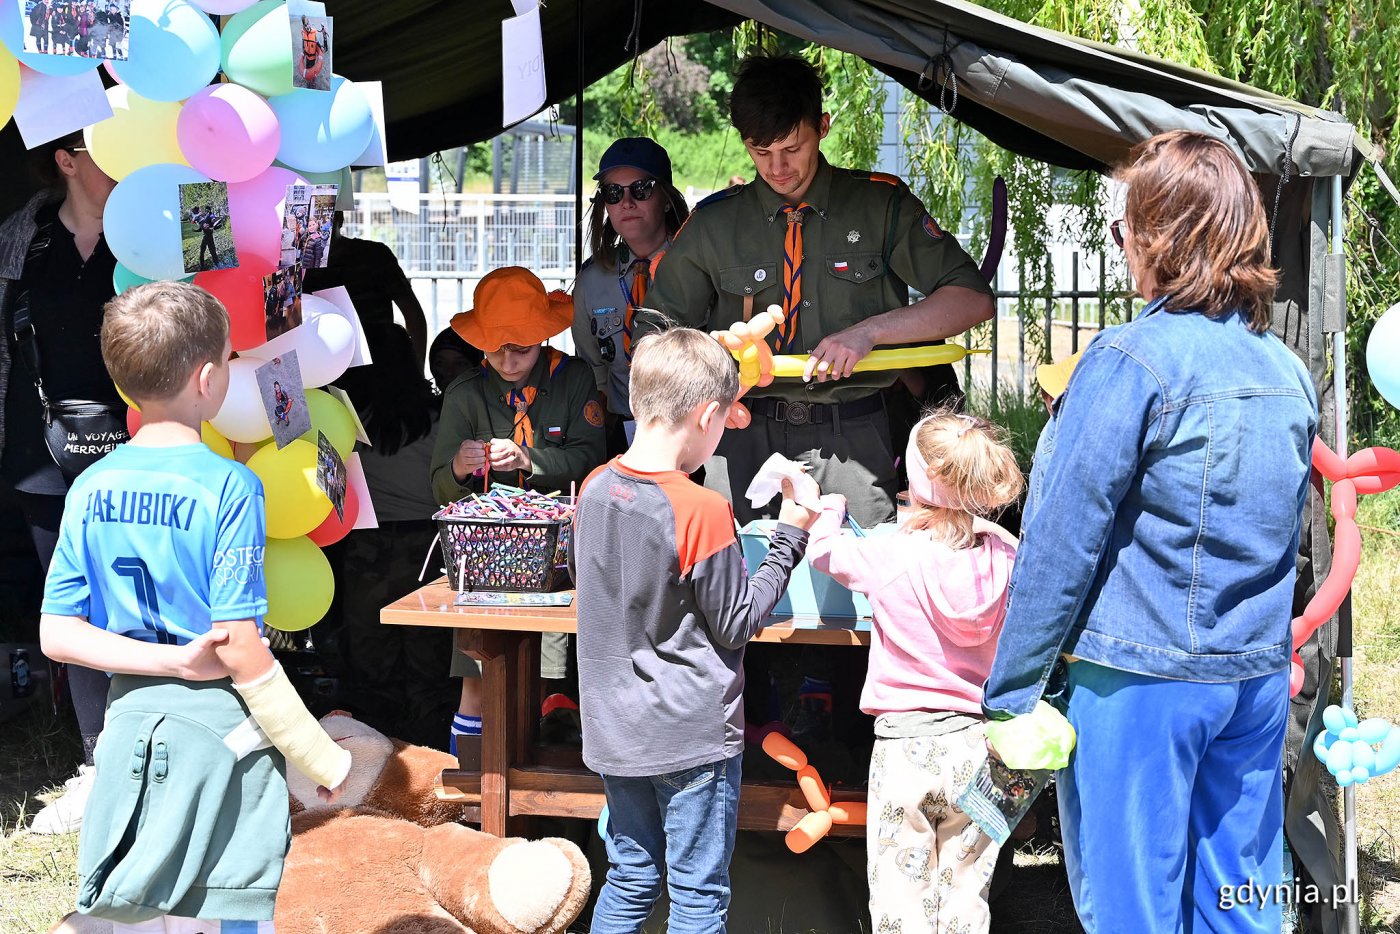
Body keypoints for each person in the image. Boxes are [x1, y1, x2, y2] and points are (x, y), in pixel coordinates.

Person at [981, 130, 1318, 933]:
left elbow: (1060, 540)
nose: (1122, 245)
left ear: (1158, 235)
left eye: (1123, 227)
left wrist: (1011, 695)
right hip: (1253, 680)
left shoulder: (1130, 360)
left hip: (1142, 680)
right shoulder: (1288, 370)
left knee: (1133, 908)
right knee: (1242, 903)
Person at [39, 280, 349, 930]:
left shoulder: (90, 485)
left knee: (143, 909)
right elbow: (238, 643)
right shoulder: (230, 485)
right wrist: (318, 757)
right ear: (209, 378)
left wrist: (168, 661)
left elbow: (57, 634)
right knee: (232, 908)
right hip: (222, 741)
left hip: (128, 731)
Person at [645, 54, 995, 528]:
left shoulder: (880, 204)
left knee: (859, 590)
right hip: (743, 434)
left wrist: (870, 332)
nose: (777, 167)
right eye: (759, 151)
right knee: (737, 581)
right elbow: (653, 340)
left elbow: (972, 299)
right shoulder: (713, 224)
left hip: (853, 436)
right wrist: (709, 378)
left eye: (791, 147)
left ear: (823, 126)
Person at [570, 327, 818, 933]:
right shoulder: (701, 508)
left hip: (614, 729)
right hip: (689, 734)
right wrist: (791, 532)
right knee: (697, 894)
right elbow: (738, 623)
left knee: (629, 876)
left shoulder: (594, 488)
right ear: (709, 414)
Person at [806, 410, 1023, 934]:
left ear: (913, 482)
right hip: (983, 745)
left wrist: (829, 508)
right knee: (966, 886)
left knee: (901, 895)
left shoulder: (890, 552)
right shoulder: (1006, 553)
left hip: (906, 748)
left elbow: (824, 553)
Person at [429, 266, 606, 762]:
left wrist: (532, 459)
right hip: (484, 559)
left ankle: (552, 788)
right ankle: (469, 788)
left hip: (560, 561)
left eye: (522, 348)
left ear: (544, 339)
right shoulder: (466, 394)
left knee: (554, 683)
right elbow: (438, 486)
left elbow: (595, 462)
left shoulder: (572, 382)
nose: (508, 360)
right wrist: (460, 469)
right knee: (478, 681)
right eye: (496, 348)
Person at [0, 131, 121, 834]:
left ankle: (161, 748)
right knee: (73, 604)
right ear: (67, 161)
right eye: (104, 147)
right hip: (42, 454)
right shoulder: (22, 240)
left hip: (141, 446)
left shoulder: (158, 231)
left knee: (147, 596)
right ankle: (98, 757)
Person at [330, 322, 453, 746]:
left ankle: (375, 766)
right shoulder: (438, 416)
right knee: (429, 667)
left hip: (367, 545)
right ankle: (430, 762)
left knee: (370, 665)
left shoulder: (349, 417)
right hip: (429, 549)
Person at [571, 138, 690, 450]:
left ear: (666, 198)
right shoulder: (591, 282)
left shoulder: (697, 268)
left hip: (694, 432)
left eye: (641, 189)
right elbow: (594, 368)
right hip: (624, 434)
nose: (627, 202)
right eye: (613, 192)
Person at [302, 212, 429, 370]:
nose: (317, 228)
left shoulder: (374, 255)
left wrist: (418, 370)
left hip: (380, 362)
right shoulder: (295, 264)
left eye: (323, 221)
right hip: (322, 363)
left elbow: (412, 313)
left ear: (339, 220)